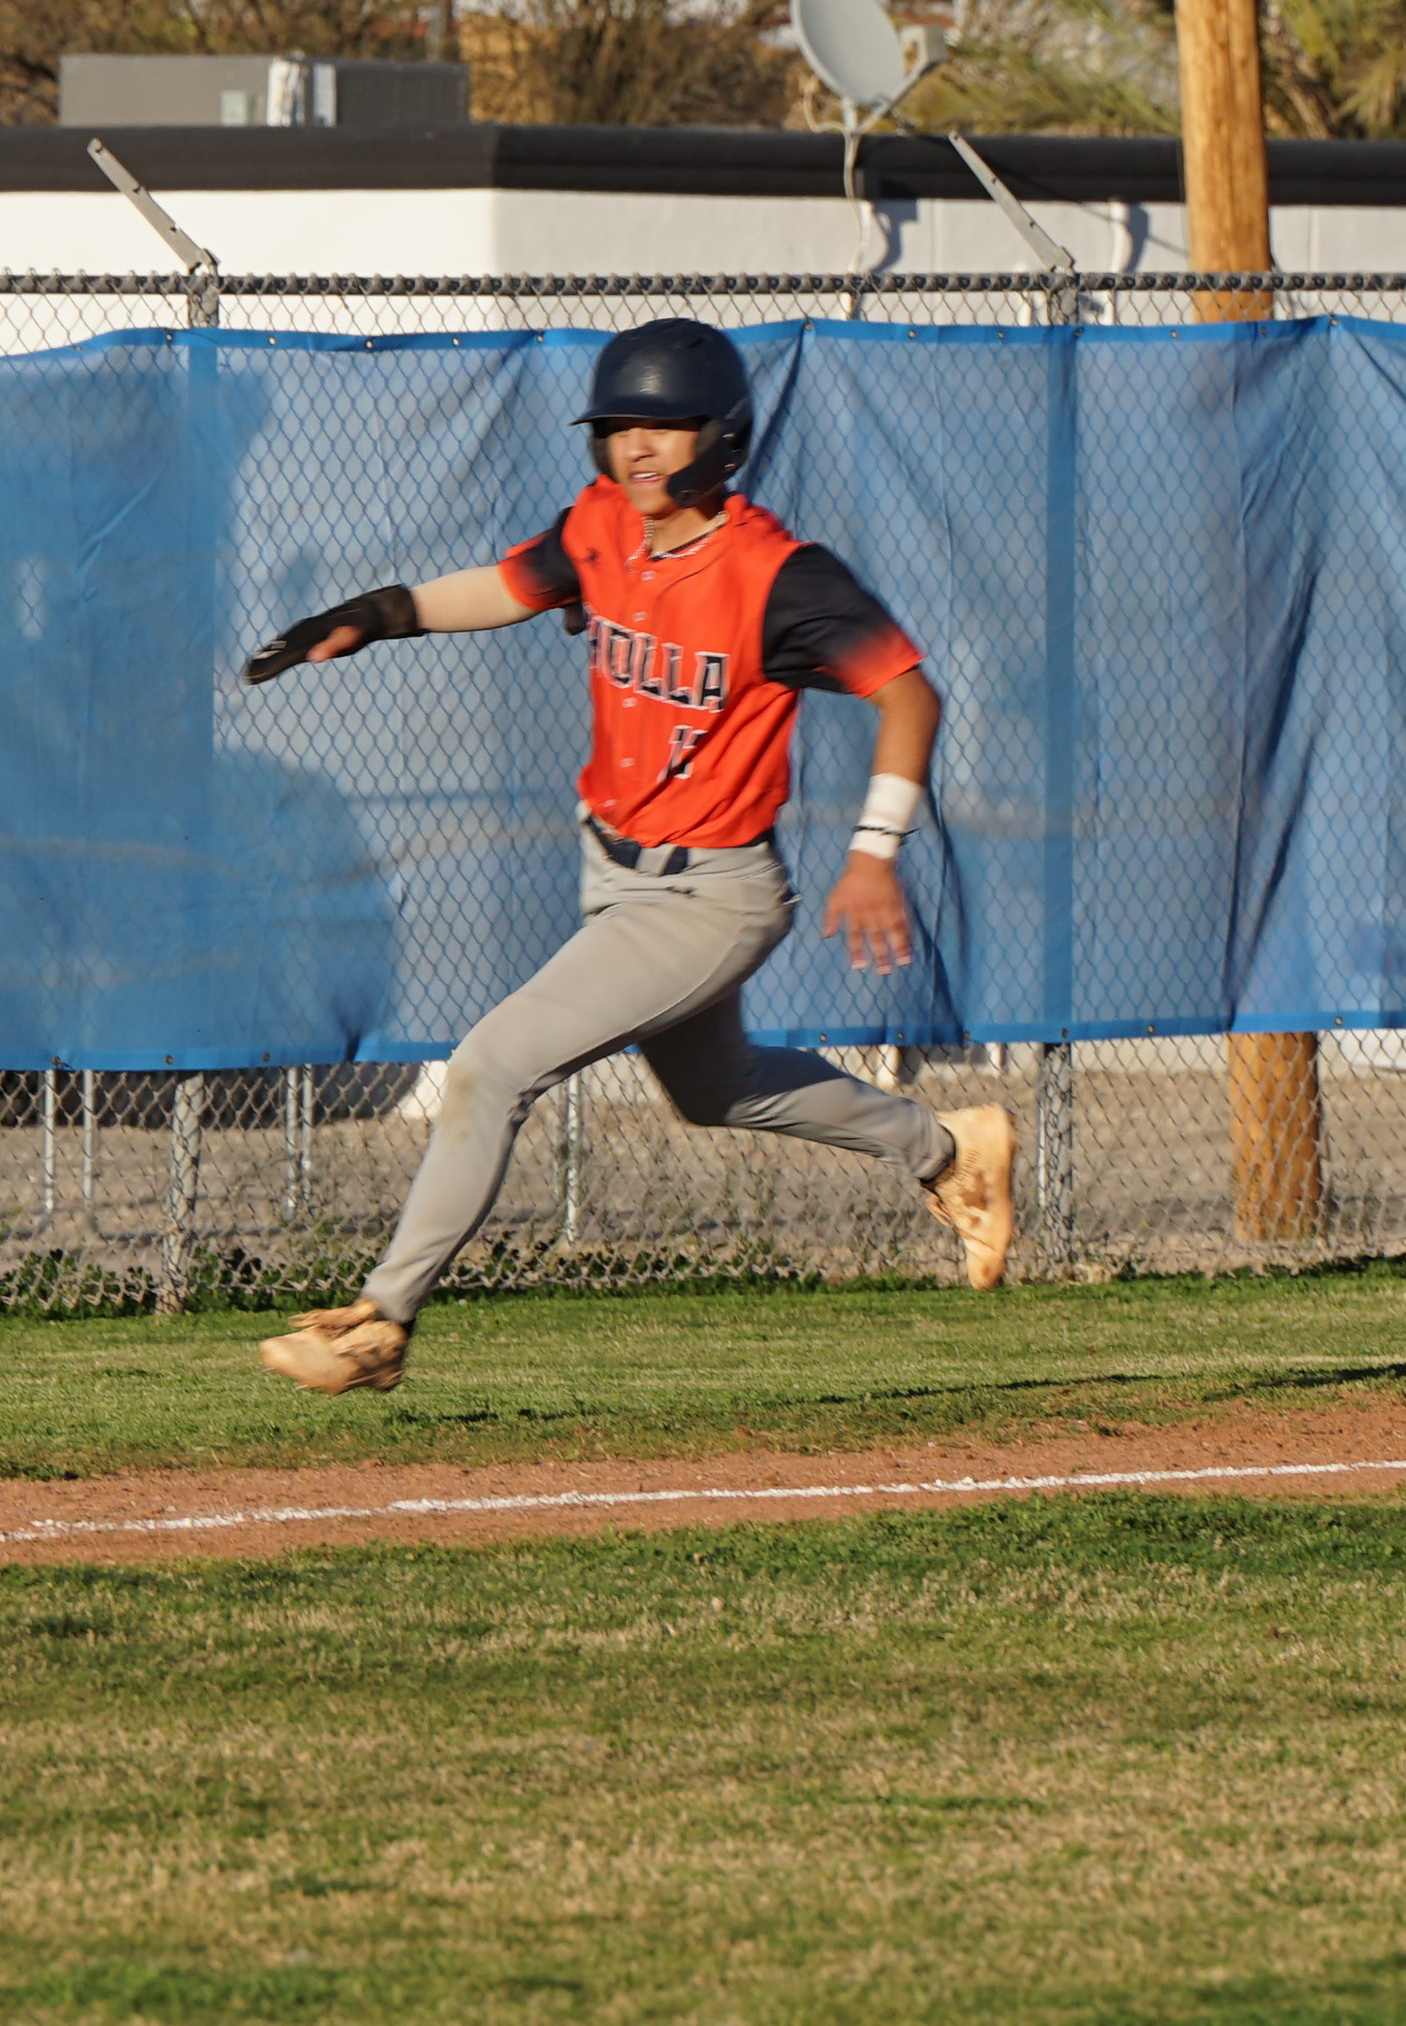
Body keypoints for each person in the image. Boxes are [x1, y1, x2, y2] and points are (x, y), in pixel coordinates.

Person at [238, 318, 1015, 1394]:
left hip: (711, 894)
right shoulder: (603, 527)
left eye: (665, 425)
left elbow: (909, 695)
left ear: (722, 437)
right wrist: (378, 614)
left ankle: (381, 1319)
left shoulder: (778, 574)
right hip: (614, 870)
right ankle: (948, 1149)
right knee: (717, 1088)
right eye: (620, 427)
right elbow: (511, 587)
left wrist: (874, 851)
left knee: (490, 1066)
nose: (638, 448)